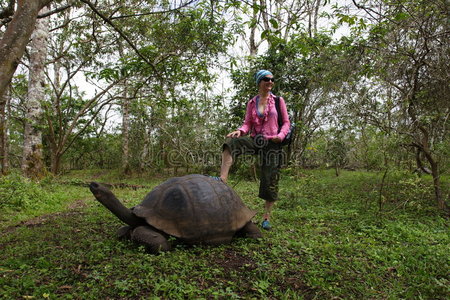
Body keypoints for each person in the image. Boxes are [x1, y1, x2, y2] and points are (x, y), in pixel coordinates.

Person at [218, 70, 290, 230]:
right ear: (259, 82)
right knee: (231, 142)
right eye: (266, 79)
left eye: (272, 79)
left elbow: (286, 122)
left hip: (272, 142)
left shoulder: (278, 101)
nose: (270, 82)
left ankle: (266, 217)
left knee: (269, 178)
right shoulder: (252, 102)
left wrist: (281, 135)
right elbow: (247, 124)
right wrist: (240, 131)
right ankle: (222, 179)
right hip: (256, 139)